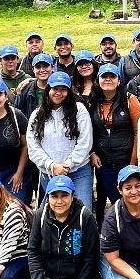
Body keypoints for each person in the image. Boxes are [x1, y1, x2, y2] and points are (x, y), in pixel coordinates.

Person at [27, 174, 99, 279]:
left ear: (72, 196)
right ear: (48, 197)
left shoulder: (85, 217)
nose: (59, 201)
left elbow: (91, 258)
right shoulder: (41, 215)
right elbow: (33, 252)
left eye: (64, 195)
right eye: (54, 196)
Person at [26, 71, 94, 204]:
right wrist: (51, 165)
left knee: (83, 209)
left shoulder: (79, 110)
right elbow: (33, 146)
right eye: (55, 89)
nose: (58, 93)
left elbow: (85, 142)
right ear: (48, 89)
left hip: (78, 171)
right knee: (57, 210)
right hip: (49, 173)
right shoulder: (36, 114)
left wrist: (68, 165)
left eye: (63, 89)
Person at [88, 64, 140, 217]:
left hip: (125, 159)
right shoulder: (93, 102)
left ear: (119, 80)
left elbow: (139, 132)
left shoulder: (129, 100)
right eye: (104, 77)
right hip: (102, 161)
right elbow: (88, 131)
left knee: (125, 200)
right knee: (107, 195)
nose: (108, 80)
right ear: (98, 80)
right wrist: (91, 152)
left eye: (112, 76)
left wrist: (133, 161)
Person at [14, 53, 54, 117]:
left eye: (45, 66)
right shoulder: (25, 89)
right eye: (38, 67)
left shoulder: (59, 88)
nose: (42, 70)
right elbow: (17, 113)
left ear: (52, 67)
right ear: (33, 69)